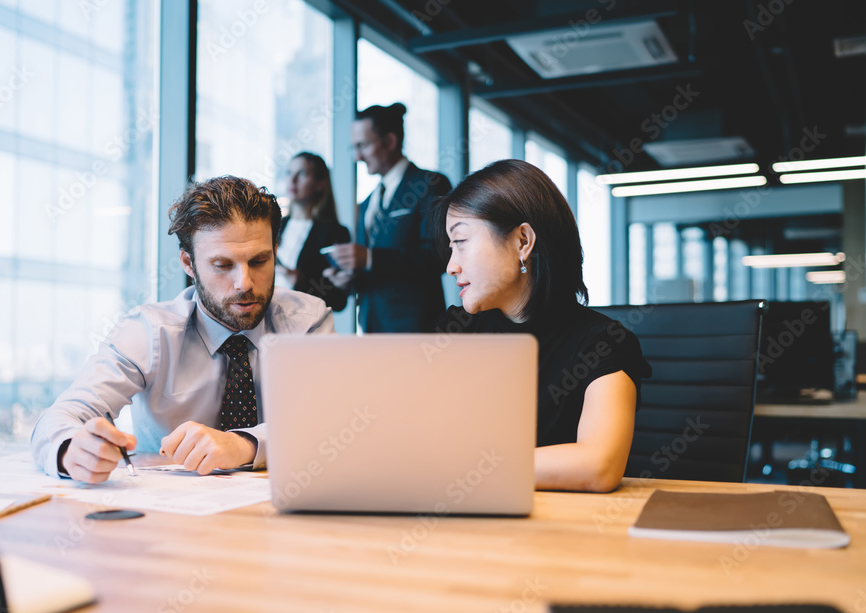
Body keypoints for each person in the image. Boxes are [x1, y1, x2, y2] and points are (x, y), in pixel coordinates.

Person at [30, 175, 334, 483]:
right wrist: (70, 450)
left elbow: (329, 421)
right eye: (223, 265)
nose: (245, 283)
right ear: (188, 263)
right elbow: (60, 416)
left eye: (258, 260)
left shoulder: (306, 322)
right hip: (169, 518)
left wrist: (243, 444)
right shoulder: (149, 332)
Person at [434, 159, 651, 493]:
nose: (451, 266)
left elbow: (598, 465)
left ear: (523, 242)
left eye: (460, 242)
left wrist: (465, 469)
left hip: (564, 532)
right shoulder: (457, 331)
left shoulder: (603, 344)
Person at [325, 102, 451, 332]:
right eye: (353, 147)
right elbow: (373, 269)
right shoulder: (368, 202)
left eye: (362, 145)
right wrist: (350, 277)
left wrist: (371, 258)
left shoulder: (430, 184)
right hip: (372, 326)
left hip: (416, 329)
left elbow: (438, 255)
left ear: (390, 141)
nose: (357, 157)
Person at [276, 152, 350, 312]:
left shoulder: (335, 233)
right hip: (266, 322)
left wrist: (301, 281)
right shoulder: (274, 226)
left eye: (302, 173)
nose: (292, 180)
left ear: (320, 184)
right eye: (289, 172)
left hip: (304, 328)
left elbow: (338, 301)